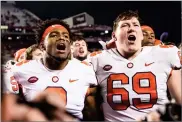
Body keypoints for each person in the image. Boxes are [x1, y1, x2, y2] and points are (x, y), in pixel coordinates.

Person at [86, 10, 181, 121]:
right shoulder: (97, 59)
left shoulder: (165, 54)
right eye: (125, 25)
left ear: (140, 34)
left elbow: (179, 102)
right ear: (114, 36)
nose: (131, 28)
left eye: (135, 25)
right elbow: (87, 101)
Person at [4, 18, 98, 120]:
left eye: (66, 36)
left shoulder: (85, 69)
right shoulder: (20, 69)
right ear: (42, 46)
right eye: (54, 35)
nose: (62, 38)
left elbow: (91, 108)